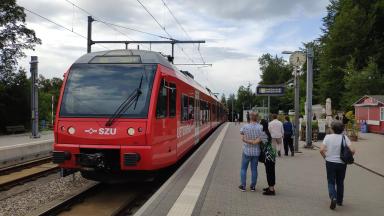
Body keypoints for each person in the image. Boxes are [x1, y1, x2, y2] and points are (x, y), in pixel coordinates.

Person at [320, 121, 355, 210]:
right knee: (340, 182)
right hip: (342, 164)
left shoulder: (328, 137)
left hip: (330, 162)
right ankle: (339, 201)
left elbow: (321, 150)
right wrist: (347, 158)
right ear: (342, 129)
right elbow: (353, 150)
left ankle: (333, 197)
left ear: (332, 129)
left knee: (331, 181)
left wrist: (325, 157)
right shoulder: (345, 137)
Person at [238, 111, 265, 192]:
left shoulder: (245, 127)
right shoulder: (260, 127)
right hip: (256, 152)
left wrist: (248, 141)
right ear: (257, 118)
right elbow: (261, 139)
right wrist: (254, 142)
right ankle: (253, 187)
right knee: (254, 169)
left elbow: (242, 138)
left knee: (243, 169)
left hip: (246, 151)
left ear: (250, 117)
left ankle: (243, 186)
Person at [260, 119, 276, 195]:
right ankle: (271, 186)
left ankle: (271, 190)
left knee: (269, 172)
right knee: (271, 171)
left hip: (268, 155)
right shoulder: (267, 132)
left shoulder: (263, 133)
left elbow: (257, 141)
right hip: (272, 154)